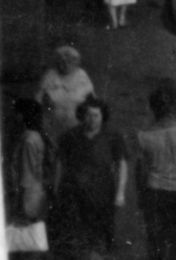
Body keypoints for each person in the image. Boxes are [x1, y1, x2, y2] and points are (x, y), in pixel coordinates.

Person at [53, 96, 127, 260]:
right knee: (78, 234)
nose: (92, 119)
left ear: (102, 116)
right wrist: (57, 188)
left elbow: (122, 165)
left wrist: (120, 193)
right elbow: (60, 163)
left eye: (96, 115)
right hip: (76, 193)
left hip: (103, 193)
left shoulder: (113, 136)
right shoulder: (70, 136)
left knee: (102, 232)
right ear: (82, 115)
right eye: (88, 115)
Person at [135, 86, 176, 260]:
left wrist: (141, 196)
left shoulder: (144, 136)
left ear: (152, 108)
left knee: (155, 239)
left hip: (155, 192)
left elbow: (141, 171)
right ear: (171, 108)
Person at [7, 97, 53, 243]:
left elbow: (27, 174)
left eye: (16, 112)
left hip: (29, 195)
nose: (14, 116)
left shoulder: (29, 139)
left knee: (27, 241)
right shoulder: (34, 136)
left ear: (22, 115)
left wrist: (19, 201)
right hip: (35, 192)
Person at [39, 46, 94, 148]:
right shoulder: (50, 75)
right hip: (53, 126)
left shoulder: (82, 75)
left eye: (69, 61)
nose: (65, 64)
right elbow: (38, 100)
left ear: (76, 62)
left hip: (77, 127)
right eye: (61, 61)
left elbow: (93, 101)